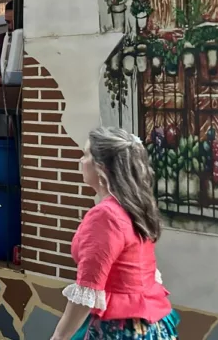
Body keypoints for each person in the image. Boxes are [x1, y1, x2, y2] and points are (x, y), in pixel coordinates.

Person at [50, 127, 179, 340]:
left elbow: (88, 290)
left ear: (101, 169)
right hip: (151, 325)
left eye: (85, 155)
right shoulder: (136, 206)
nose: (81, 161)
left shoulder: (105, 215)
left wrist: (58, 338)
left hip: (118, 330)